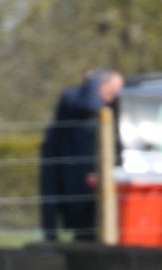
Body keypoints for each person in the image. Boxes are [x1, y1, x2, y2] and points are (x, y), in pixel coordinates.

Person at [38, 68, 123, 242]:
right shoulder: (73, 96)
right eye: (112, 89)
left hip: (87, 171)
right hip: (66, 168)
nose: (115, 95)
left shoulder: (107, 106)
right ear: (101, 84)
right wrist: (92, 81)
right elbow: (90, 106)